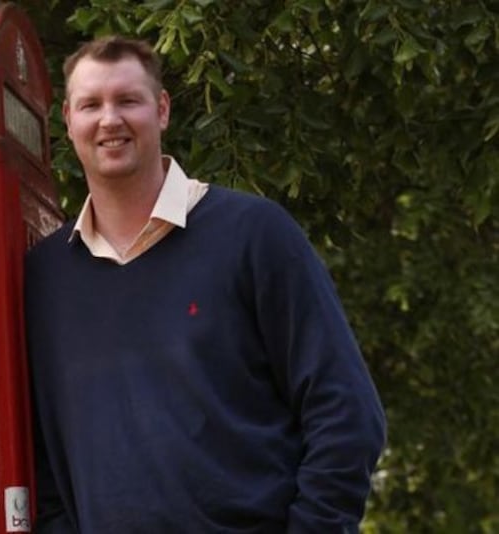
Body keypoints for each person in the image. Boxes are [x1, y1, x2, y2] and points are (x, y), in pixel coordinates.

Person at [25, 35, 387, 533]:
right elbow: (39, 456)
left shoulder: (254, 234)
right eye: (92, 104)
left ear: (163, 110)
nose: (110, 119)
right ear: (68, 121)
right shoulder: (46, 275)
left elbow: (347, 411)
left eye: (128, 100)